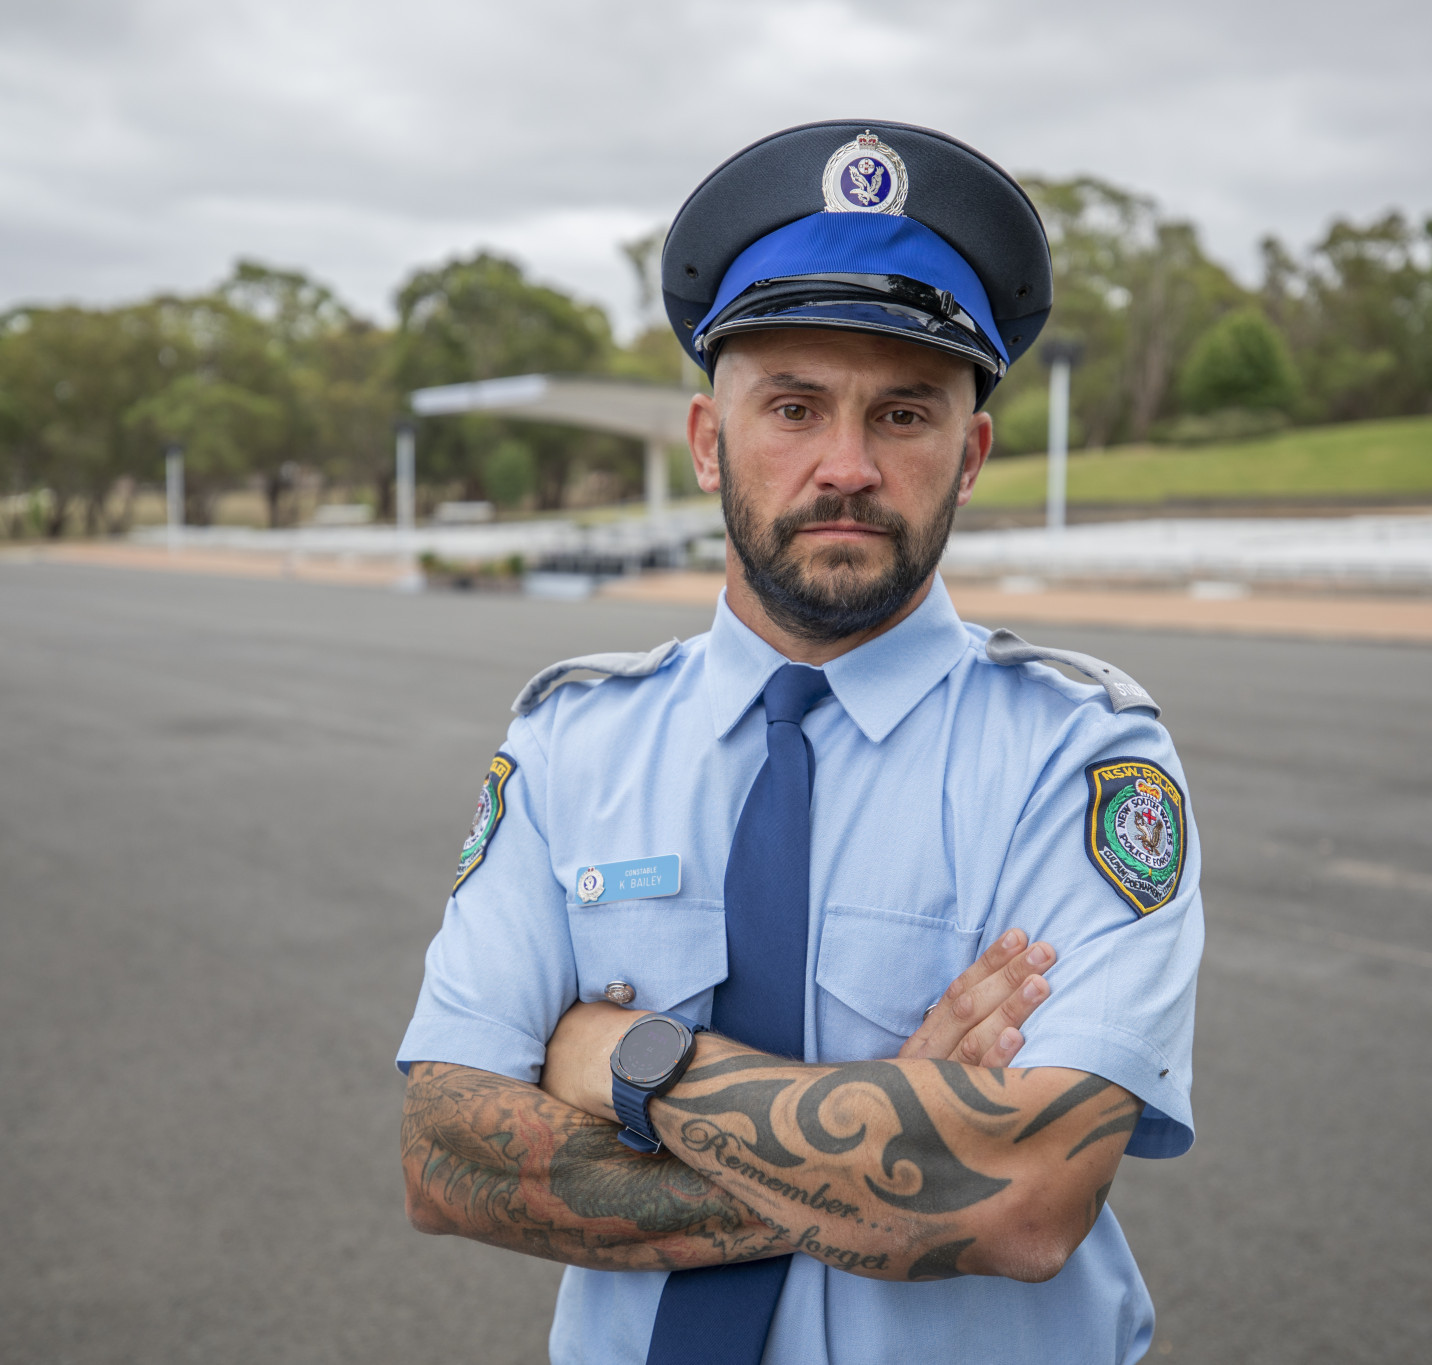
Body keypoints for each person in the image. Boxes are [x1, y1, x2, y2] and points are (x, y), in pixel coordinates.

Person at [396, 120, 1203, 1365]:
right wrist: (891, 1141)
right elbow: (446, 1155)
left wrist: (625, 1066)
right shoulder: (571, 744)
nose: (846, 466)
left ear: (969, 454)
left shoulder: (1078, 759)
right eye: (792, 407)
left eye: (902, 413)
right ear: (709, 443)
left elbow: (1025, 1196)